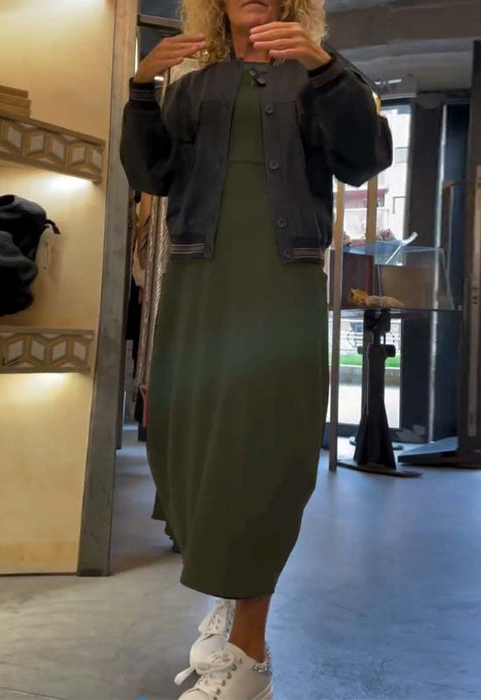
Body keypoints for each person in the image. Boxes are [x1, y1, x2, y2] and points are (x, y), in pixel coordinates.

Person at [121, 1, 392, 698]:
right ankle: (229, 600)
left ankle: (250, 652)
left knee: (263, 446)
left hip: (280, 280)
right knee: (188, 438)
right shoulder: (190, 87)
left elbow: (364, 160)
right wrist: (142, 90)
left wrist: (325, 69)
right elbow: (151, 175)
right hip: (198, 278)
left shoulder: (322, 74)